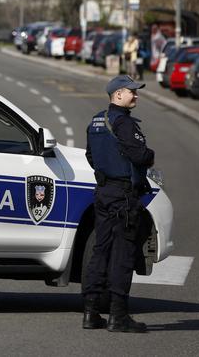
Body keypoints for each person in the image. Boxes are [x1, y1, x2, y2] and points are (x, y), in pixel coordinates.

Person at [82, 75, 155, 333]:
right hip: (123, 196)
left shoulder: (96, 121)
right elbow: (140, 155)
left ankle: (90, 313)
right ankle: (118, 316)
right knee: (122, 255)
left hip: (103, 193)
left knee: (100, 251)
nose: (136, 96)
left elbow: (91, 156)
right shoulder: (123, 123)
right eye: (132, 92)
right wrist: (149, 155)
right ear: (118, 94)